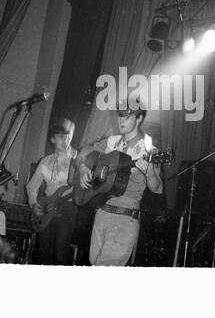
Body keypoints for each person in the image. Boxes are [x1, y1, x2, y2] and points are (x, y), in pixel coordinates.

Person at [77, 101, 163, 266]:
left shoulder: (149, 150)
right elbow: (83, 153)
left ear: (139, 119)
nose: (121, 120)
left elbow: (157, 188)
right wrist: (82, 168)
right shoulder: (111, 142)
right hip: (101, 213)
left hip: (124, 219)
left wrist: (150, 172)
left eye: (127, 116)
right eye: (120, 116)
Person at [26, 118, 77, 265]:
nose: (65, 141)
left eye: (67, 137)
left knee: (61, 254)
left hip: (66, 208)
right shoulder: (45, 161)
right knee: (44, 253)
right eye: (61, 137)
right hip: (46, 208)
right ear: (52, 139)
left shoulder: (77, 159)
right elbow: (31, 187)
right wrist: (34, 203)